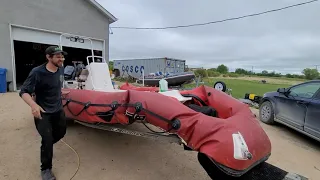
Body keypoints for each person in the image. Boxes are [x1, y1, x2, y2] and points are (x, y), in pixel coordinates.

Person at [19, 46, 70, 180]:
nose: (62, 59)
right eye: (58, 56)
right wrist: (33, 104)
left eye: (62, 56)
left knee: (61, 132)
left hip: (58, 110)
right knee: (47, 139)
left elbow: (56, 85)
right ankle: (46, 168)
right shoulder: (37, 72)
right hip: (43, 112)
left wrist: (60, 93)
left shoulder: (61, 69)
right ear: (49, 57)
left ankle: (47, 147)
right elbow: (23, 91)